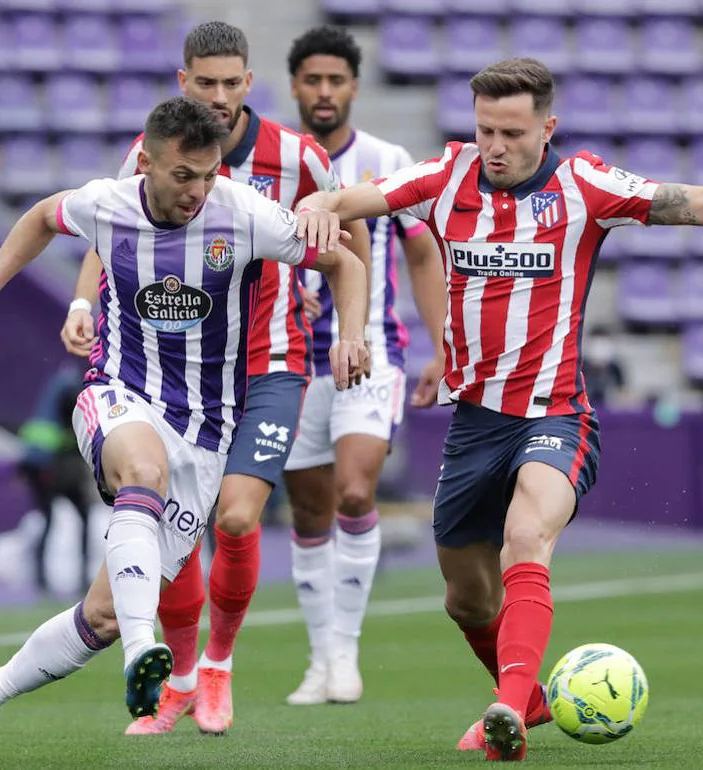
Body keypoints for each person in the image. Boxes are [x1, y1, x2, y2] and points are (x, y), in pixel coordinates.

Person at [295, 55, 703, 761]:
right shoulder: (445, 175)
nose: (495, 146)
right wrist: (314, 209)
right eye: (486, 129)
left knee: (526, 536)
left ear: (548, 128)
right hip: (475, 422)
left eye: (512, 132)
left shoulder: (584, 186)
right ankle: (530, 701)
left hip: (556, 415)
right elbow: (343, 201)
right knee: (465, 599)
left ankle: (507, 707)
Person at [0, 96, 368, 763]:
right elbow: (41, 217)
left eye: (209, 174)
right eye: (183, 175)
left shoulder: (244, 214)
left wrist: (352, 335)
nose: (198, 190)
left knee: (100, 615)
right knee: (142, 471)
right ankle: (146, 654)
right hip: (118, 395)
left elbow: (347, 263)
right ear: (149, 164)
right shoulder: (107, 202)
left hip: (207, 433)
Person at [60, 22, 374, 736]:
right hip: (175, 366)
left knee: (234, 516)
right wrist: (84, 303)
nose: (221, 97)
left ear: (249, 83)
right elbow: (108, 234)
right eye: (207, 83)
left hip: (268, 361)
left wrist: (344, 317)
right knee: (177, 521)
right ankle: (176, 676)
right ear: (184, 82)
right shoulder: (150, 155)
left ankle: (219, 665)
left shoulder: (298, 157)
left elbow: (349, 236)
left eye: (233, 83)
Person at [281, 25, 446, 707]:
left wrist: (442, 344)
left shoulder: (385, 157)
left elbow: (422, 251)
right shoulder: (273, 160)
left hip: (371, 350)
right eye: (312, 80)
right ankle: (321, 659)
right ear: (295, 85)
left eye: (336, 80)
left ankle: (345, 654)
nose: (324, 92)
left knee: (354, 491)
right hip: (287, 361)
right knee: (309, 509)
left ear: (353, 85)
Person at [17, 360, 94, 594]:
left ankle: (42, 578)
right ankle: (74, 578)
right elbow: (74, 416)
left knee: (50, 520)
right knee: (75, 518)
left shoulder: (59, 380)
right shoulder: (73, 385)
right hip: (54, 466)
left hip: (41, 464)